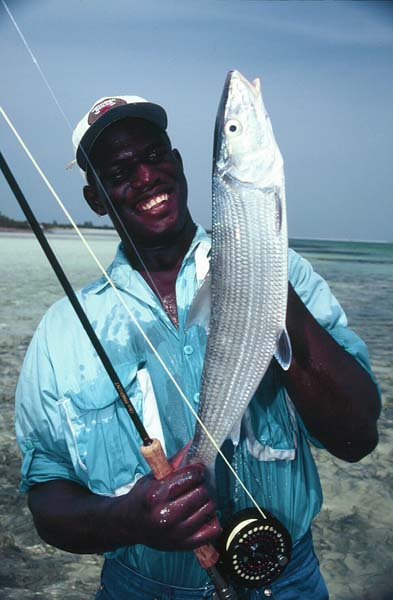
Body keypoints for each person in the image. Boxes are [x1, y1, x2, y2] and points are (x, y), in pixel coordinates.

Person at [15, 95, 381, 600]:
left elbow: (357, 438)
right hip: (139, 589)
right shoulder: (63, 332)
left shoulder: (288, 273)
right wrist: (129, 519)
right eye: (120, 171)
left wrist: (262, 265)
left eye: (155, 155)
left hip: (285, 578)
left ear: (180, 163)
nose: (146, 177)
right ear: (96, 199)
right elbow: (46, 499)